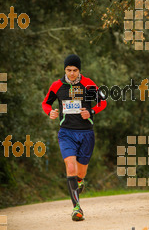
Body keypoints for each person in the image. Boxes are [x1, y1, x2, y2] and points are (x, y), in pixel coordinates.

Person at [42, 54, 107, 221]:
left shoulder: (88, 84)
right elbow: (46, 103)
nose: (71, 74)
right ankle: (77, 208)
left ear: (80, 70)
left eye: (75, 70)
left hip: (86, 133)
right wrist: (50, 112)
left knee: (81, 172)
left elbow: (102, 102)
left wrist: (91, 111)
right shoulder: (57, 86)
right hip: (66, 132)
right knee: (70, 167)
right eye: (68, 70)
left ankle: (78, 182)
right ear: (64, 69)